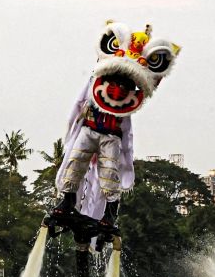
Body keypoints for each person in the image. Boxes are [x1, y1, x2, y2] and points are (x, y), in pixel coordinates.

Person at [49, 22, 181, 237]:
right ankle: (67, 202)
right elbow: (79, 104)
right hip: (89, 130)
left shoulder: (129, 97)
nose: (119, 88)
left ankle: (109, 215)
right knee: (75, 164)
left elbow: (147, 91)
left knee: (110, 175)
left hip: (111, 137)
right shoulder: (96, 84)